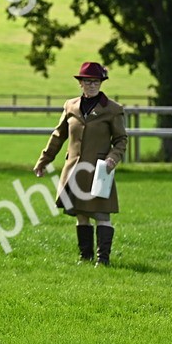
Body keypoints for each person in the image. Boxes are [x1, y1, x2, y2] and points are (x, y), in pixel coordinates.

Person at [33, 62, 128, 266]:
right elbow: (58, 136)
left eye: (96, 81)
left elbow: (121, 140)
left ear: (101, 83)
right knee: (81, 215)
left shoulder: (113, 109)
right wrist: (43, 160)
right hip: (74, 171)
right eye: (87, 81)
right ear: (81, 83)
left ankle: (103, 260)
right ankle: (85, 257)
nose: (92, 85)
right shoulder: (70, 106)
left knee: (102, 215)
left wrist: (113, 157)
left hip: (100, 171)